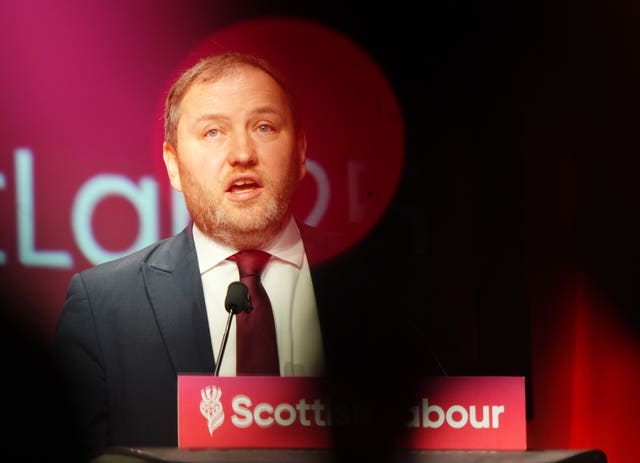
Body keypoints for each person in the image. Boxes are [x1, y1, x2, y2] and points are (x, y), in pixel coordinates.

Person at [54, 51, 445, 462]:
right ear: (173, 164)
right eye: (212, 132)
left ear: (300, 152)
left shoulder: (384, 285)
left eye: (264, 127)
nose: (242, 153)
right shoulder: (102, 306)